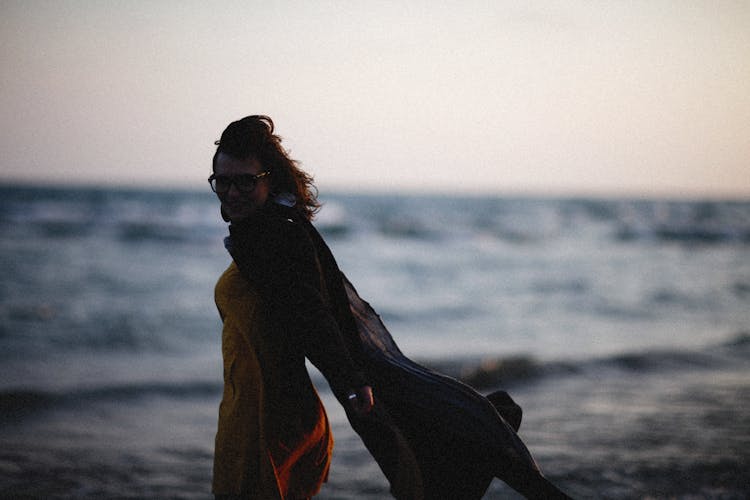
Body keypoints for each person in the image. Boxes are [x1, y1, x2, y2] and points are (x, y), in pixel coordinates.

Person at [210, 115, 571, 499]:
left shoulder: (277, 237)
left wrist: (351, 381)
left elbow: (315, 312)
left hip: (271, 413)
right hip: (248, 405)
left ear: (269, 178)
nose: (232, 192)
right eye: (223, 182)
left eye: (245, 181)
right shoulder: (258, 235)